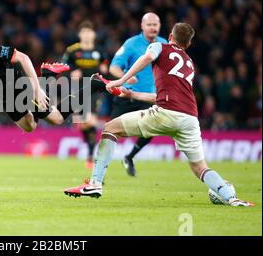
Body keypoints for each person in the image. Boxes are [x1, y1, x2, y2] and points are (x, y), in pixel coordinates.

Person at [64, 23, 254, 207]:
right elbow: (164, 96)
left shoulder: (159, 47)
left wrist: (121, 80)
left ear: (170, 36)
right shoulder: (188, 63)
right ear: (188, 44)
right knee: (200, 168)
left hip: (166, 113)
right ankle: (232, 198)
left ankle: (95, 184)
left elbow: (147, 58)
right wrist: (133, 94)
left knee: (110, 128)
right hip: (189, 118)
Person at [109, 12, 167, 176]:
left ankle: (129, 157)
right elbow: (113, 67)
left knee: (152, 130)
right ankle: (99, 172)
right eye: (149, 25)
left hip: (148, 97)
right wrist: (124, 77)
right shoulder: (131, 44)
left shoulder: (165, 45)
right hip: (127, 94)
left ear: (159, 26)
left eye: (155, 25)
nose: (152, 28)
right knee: (110, 131)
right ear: (142, 26)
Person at [62, 20, 111, 169]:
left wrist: (104, 68)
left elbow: (106, 65)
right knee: (83, 124)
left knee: (90, 121)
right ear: (80, 34)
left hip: (95, 90)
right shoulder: (72, 50)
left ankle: (90, 156)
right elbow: (64, 66)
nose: (87, 35)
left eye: (89, 32)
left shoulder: (100, 50)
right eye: (84, 32)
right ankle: (90, 153)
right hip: (78, 90)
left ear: (94, 34)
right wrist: (72, 71)